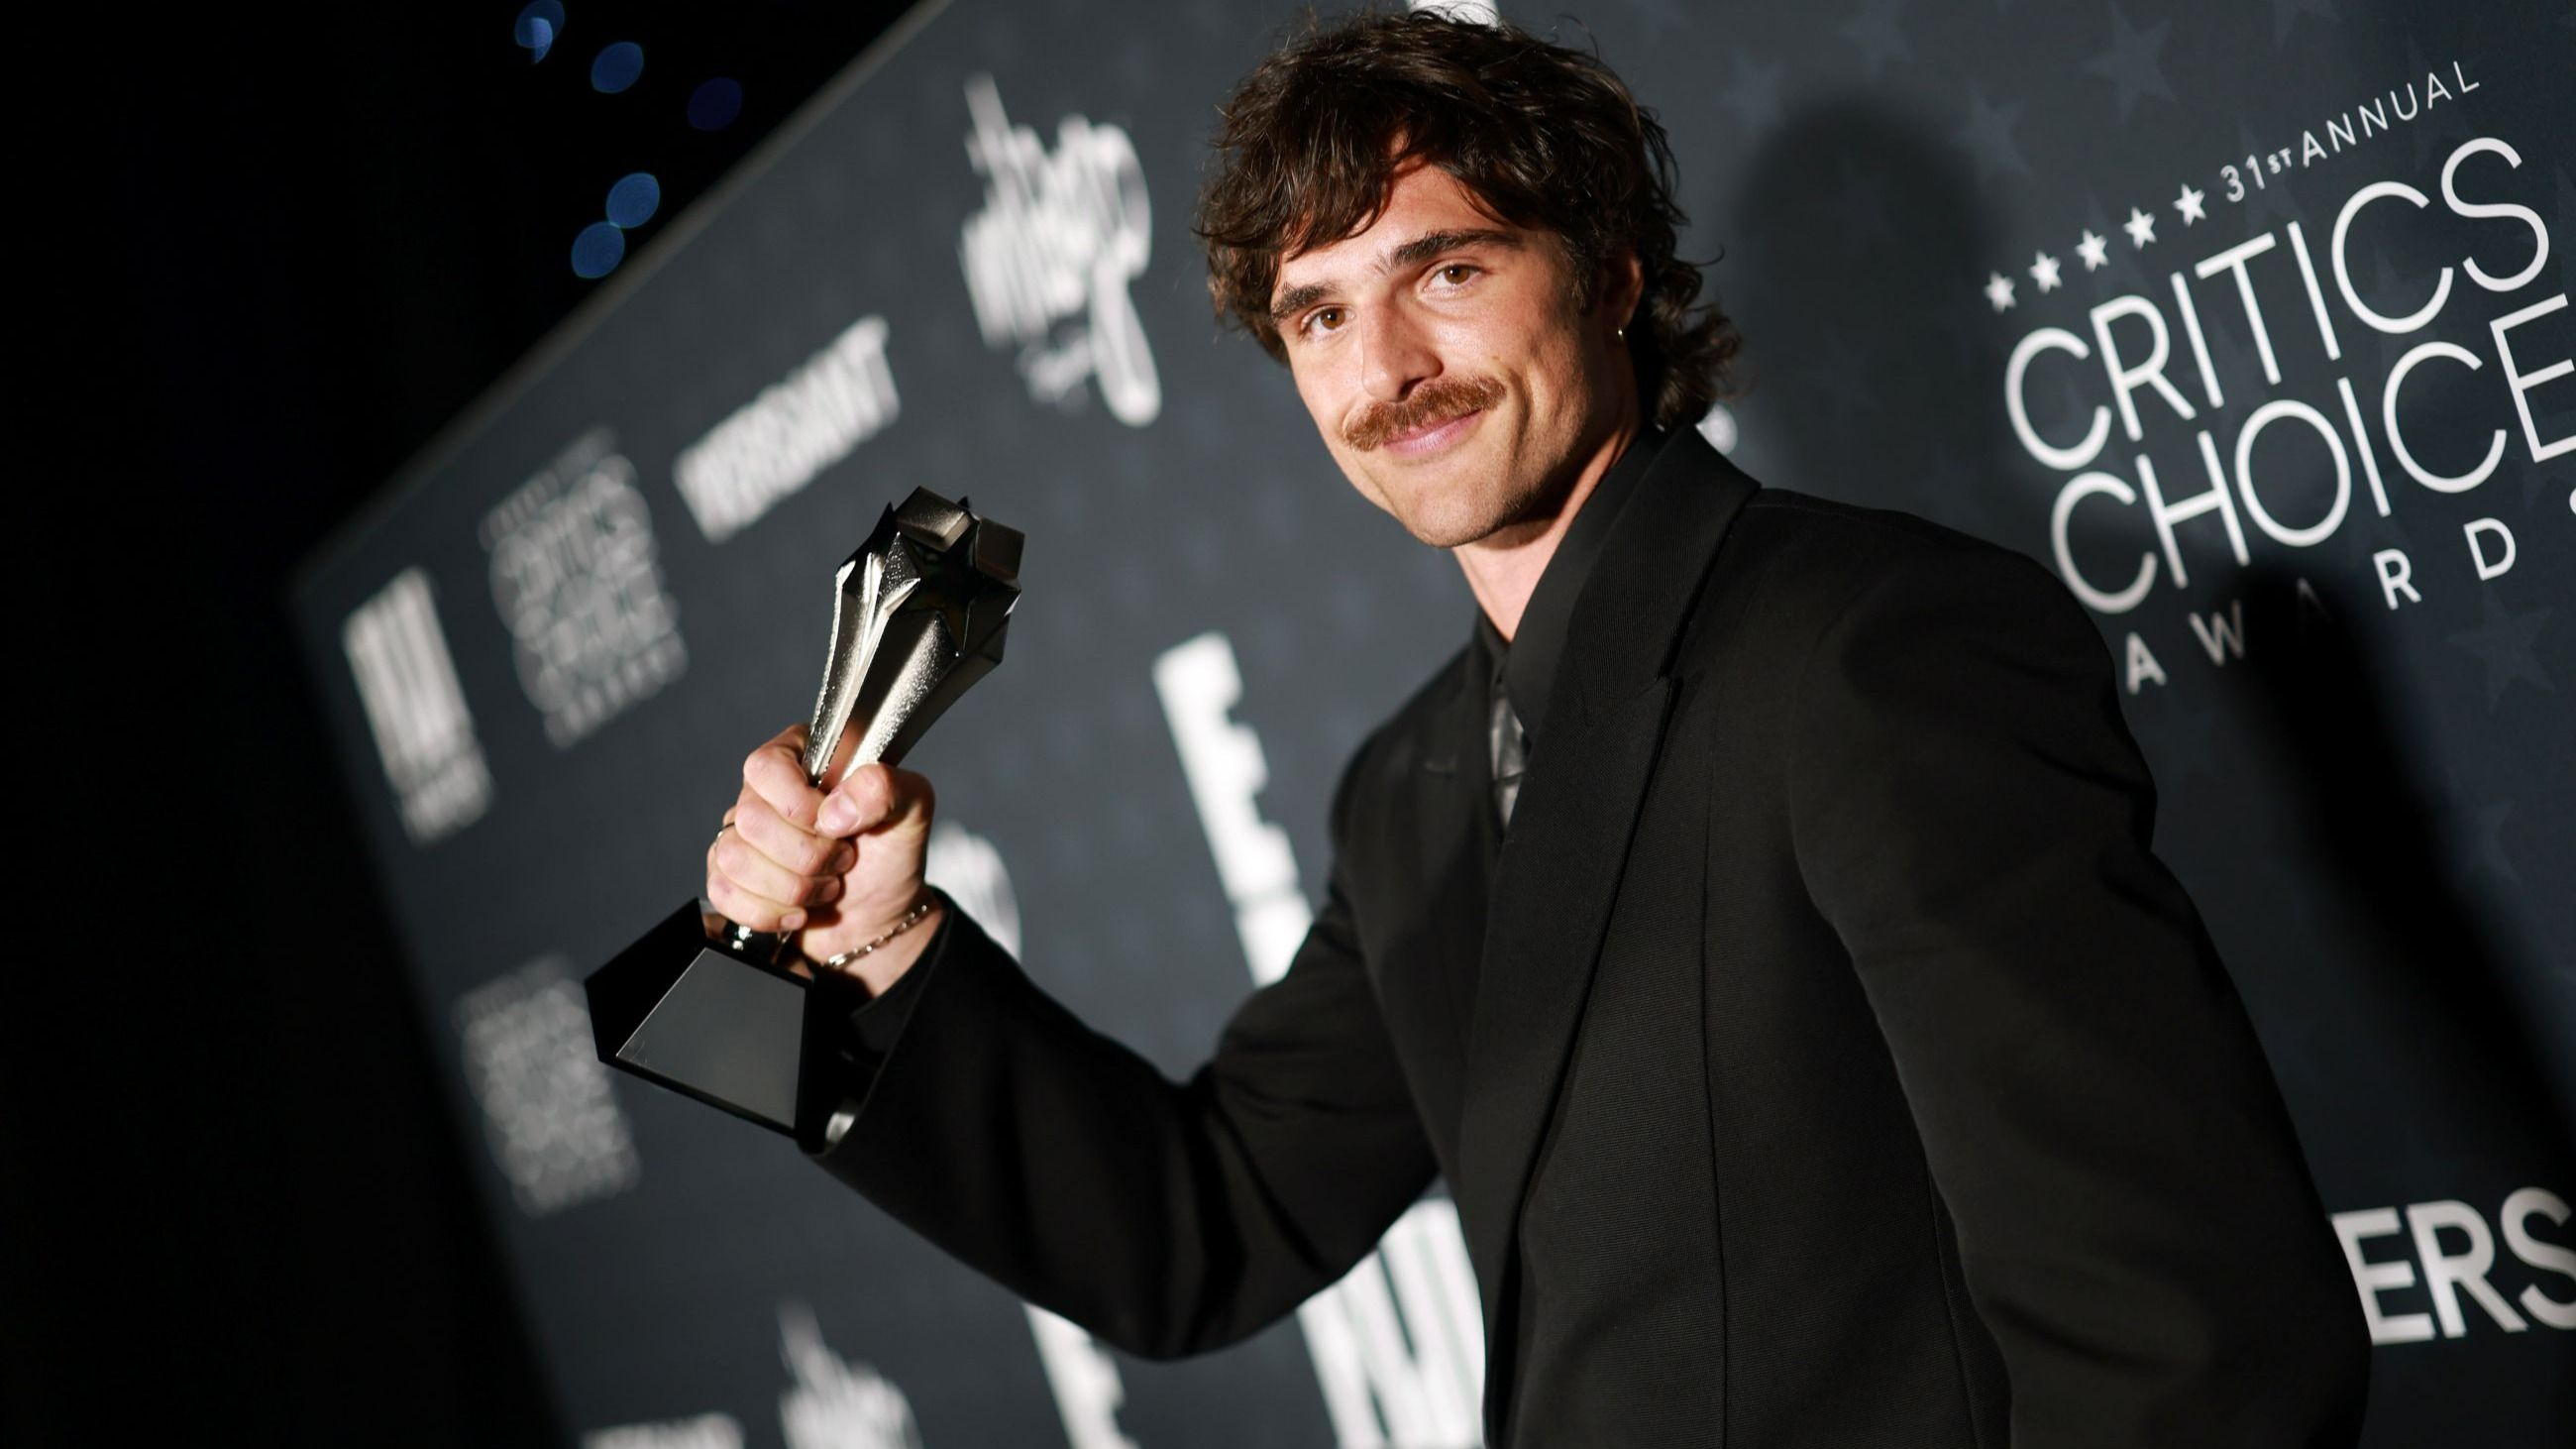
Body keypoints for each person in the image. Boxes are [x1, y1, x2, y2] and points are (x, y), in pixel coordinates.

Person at [702, 9, 2369, 1444]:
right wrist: (881, 944)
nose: (1388, 368)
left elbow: (2184, 1338)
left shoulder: (1868, 648)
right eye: (1320, 314)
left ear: (1612, 272)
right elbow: (1194, 1229)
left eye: (1446, 270)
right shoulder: (1409, 790)